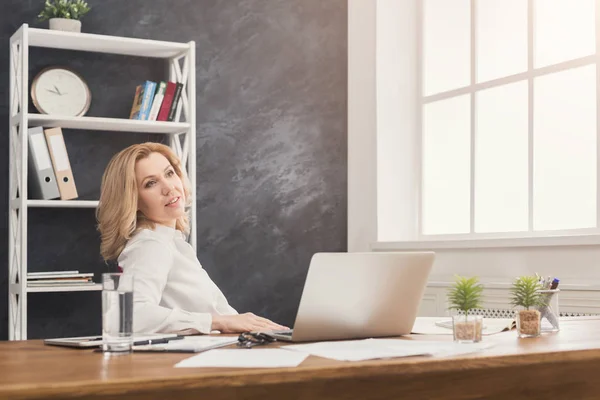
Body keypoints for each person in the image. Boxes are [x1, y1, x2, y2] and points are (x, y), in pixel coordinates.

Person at [96, 142, 287, 335]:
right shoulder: (150, 244)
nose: (169, 188)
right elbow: (126, 318)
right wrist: (218, 322)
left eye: (169, 173)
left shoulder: (170, 241)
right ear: (133, 199)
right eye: (151, 183)